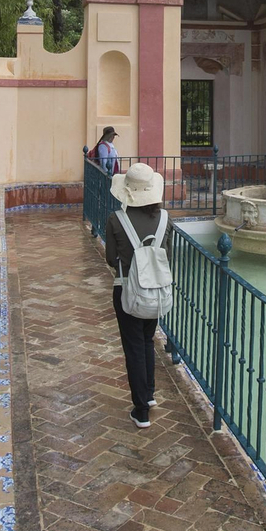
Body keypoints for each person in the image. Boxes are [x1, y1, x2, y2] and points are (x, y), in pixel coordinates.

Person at [105, 162, 170, 429]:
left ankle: (141, 410)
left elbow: (111, 259)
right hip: (156, 292)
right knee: (147, 341)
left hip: (127, 292)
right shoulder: (165, 219)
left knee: (133, 347)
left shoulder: (115, 220)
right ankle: (149, 394)